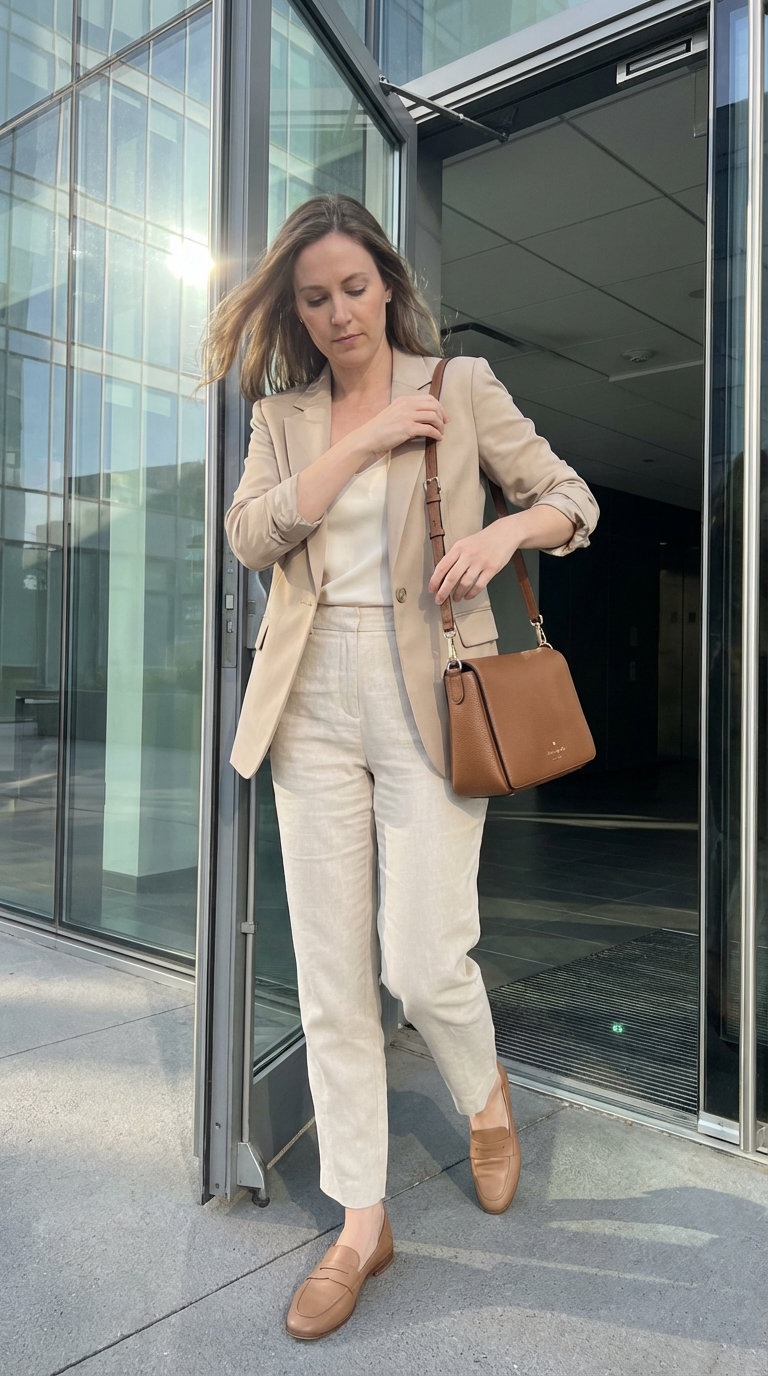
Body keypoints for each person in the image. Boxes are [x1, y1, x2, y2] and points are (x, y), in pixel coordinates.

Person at [200, 194, 598, 1341]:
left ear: (387, 280)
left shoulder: (460, 387)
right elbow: (250, 536)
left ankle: (483, 1092)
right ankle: (361, 1220)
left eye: (353, 288)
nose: (337, 313)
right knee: (332, 977)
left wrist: (501, 533)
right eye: (314, 298)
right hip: (310, 694)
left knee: (422, 962)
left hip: (432, 690)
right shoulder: (284, 417)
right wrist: (362, 440)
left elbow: (574, 499)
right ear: (298, 308)